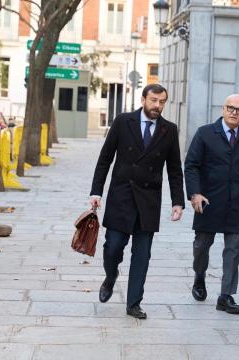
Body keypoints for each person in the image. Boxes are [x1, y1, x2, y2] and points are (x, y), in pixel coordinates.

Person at [89, 84, 184, 319]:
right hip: (121, 195)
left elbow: (174, 168)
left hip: (148, 200)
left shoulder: (169, 130)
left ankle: (134, 303)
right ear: (143, 100)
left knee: (142, 254)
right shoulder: (123, 121)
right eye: (153, 100)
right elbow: (105, 159)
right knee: (112, 248)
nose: (157, 106)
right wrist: (96, 192)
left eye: (162, 102)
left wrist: (177, 201)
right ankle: (110, 277)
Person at [185, 94, 239, 314]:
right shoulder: (205, 133)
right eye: (231, 108)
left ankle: (226, 296)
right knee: (201, 247)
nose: (234, 112)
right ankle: (199, 277)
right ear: (223, 109)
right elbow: (191, 165)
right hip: (208, 201)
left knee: (233, 250)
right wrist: (195, 194)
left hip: (236, 203)